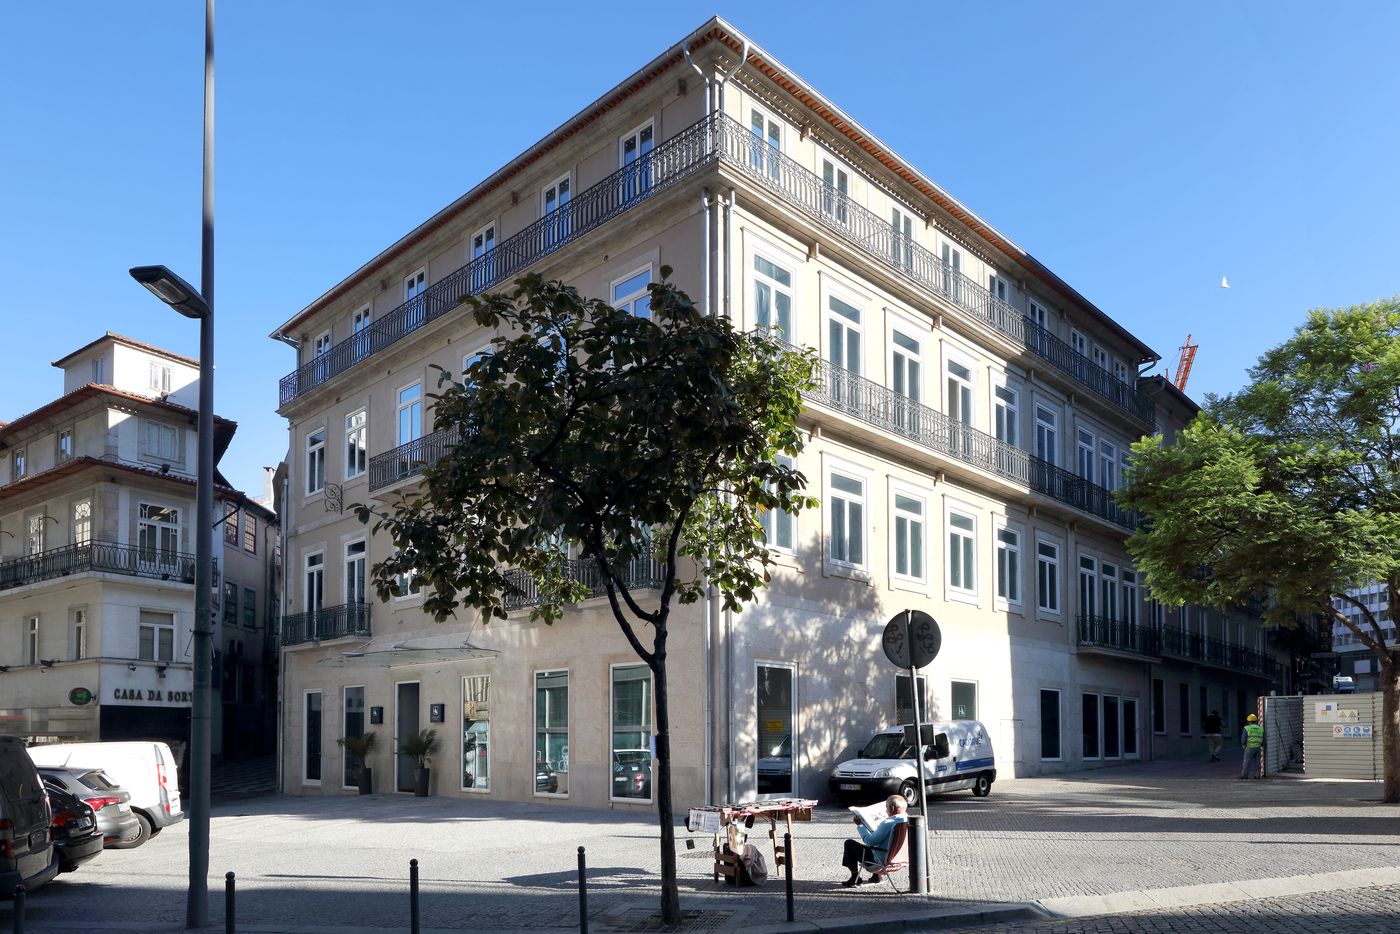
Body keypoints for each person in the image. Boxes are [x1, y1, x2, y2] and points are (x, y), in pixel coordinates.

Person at [840, 794, 908, 887]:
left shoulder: (888, 823)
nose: (885, 810)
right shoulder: (907, 820)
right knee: (878, 842)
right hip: (899, 859)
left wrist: (860, 825)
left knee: (849, 843)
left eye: (886, 807)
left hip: (881, 862)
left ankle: (855, 878)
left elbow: (869, 841)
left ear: (892, 808)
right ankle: (876, 877)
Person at [1239, 713, 1264, 779]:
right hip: (1258, 747)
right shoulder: (1260, 728)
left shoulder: (1247, 728)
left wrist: (1243, 744)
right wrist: (1261, 745)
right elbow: (1262, 738)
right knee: (1257, 762)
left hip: (1249, 747)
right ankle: (1257, 775)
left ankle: (1244, 775)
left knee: (1247, 761)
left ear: (1249, 721)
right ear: (1256, 721)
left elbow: (1243, 739)